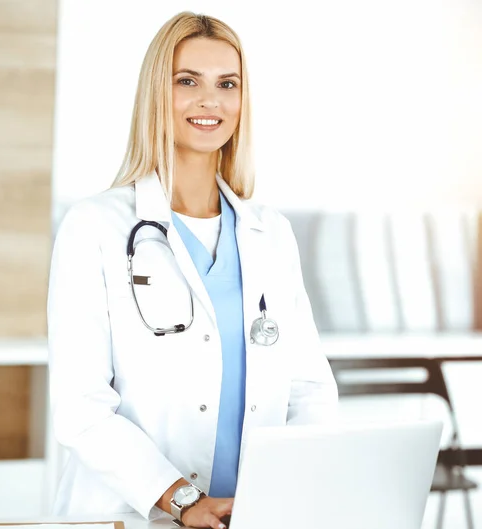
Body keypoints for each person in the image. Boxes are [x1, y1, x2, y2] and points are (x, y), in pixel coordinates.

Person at [47, 11, 338, 529]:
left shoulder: (269, 232)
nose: (211, 101)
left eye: (228, 84)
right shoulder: (95, 226)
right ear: (158, 94)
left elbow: (309, 388)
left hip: (251, 515)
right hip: (135, 515)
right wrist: (180, 500)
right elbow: (80, 406)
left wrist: (290, 489)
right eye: (188, 82)